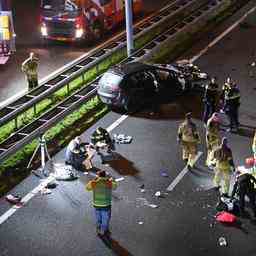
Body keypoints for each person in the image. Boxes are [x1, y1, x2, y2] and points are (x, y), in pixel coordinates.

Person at [86, 170, 117, 236]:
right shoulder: (108, 182)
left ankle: (98, 228)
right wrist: (112, 180)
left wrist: (93, 180)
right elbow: (115, 187)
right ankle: (104, 230)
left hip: (96, 205)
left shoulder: (94, 183)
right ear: (105, 176)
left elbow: (87, 188)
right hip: (106, 205)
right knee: (105, 218)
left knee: (98, 218)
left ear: (98, 176)